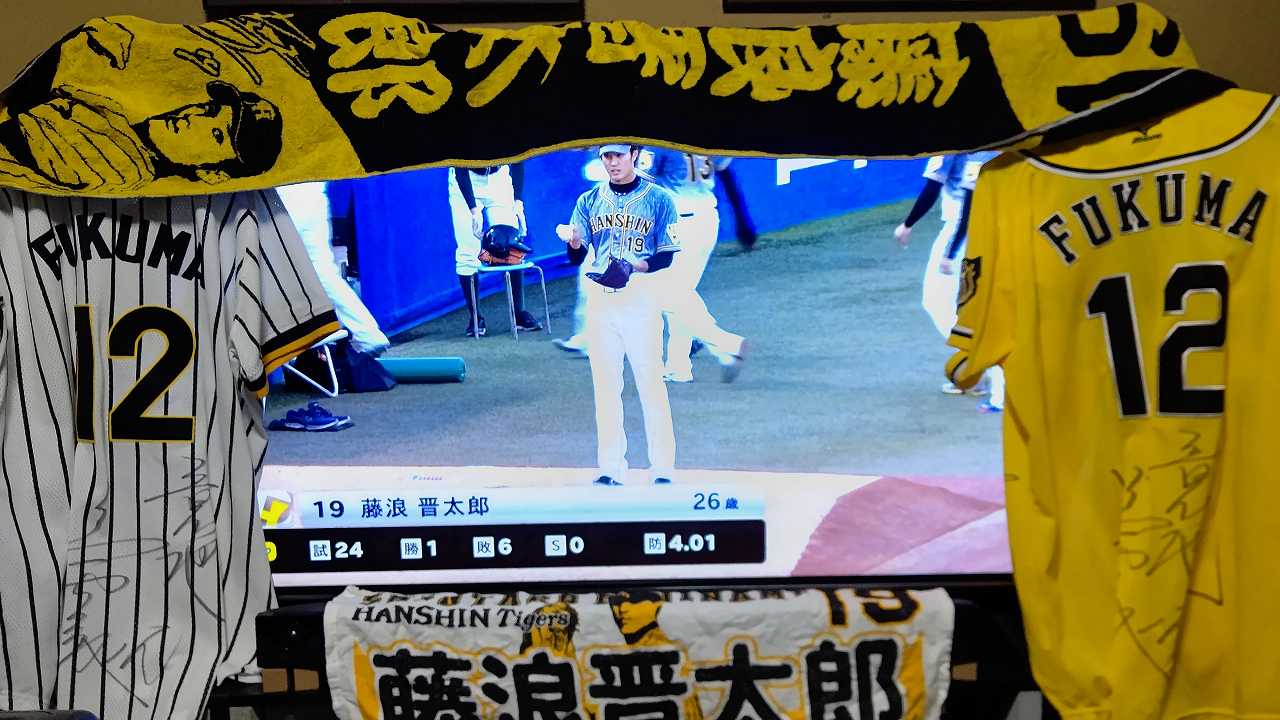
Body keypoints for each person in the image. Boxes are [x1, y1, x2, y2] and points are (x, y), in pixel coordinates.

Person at [558, 144, 679, 486]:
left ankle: (663, 468)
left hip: (641, 297)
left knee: (650, 383)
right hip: (600, 300)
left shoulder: (659, 199)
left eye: (618, 156)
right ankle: (611, 467)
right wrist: (574, 242)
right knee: (606, 386)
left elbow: (666, 256)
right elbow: (575, 256)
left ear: (634, 154)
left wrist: (634, 266)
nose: (612, 162)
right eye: (606, 156)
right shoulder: (589, 200)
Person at [0, 80, 282, 192]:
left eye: (217, 134)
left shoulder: (121, 168)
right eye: (209, 109)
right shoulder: (120, 122)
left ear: (212, 174)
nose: (193, 117)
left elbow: (17, 132)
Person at [893, 151, 1005, 412]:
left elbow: (937, 187)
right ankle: (979, 369)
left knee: (935, 301)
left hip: (962, 229)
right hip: (996, 227)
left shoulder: (953, 142)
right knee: (978, 302)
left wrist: (909, 225)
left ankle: (982, 365)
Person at [644, 147, 747, 383]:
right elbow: (723, 168)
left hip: (678, 223)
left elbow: (642, 184)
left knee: (667, 295)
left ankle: (727, 345)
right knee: (682, 293)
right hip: (707, 219)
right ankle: (678, 367)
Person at [276, 181, 391, 356]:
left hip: (284, 200)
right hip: (311, 195)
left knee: (270, 274)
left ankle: (285, 349)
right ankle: (367, 334)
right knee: (323, 273)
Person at [449, 163, 541, 337]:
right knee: (467, 252)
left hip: (498, 178)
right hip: (467, 179)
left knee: (510, 244)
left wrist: (518, 201)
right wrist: (473, 210)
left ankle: (519, 314)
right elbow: (460, 169)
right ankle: (475, 317)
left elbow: (518, 160)